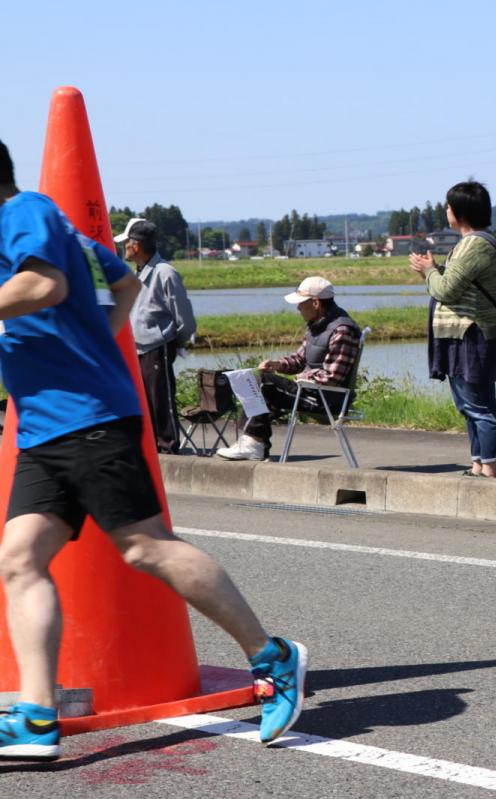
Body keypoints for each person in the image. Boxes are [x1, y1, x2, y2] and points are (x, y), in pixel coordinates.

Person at [0, 140, 305, 761]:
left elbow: (44, 283)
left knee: (146, 547)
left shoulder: (22, 212)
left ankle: (272, 655)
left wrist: (87, 364)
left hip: (88, 420)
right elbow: (125, 282)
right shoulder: (57, 227)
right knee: (19, 558)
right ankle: (36, 716)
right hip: (44, 427)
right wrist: (93, 348)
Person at [410, 181, 496, 478]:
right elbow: (456, 285)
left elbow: (446, 290)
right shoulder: (473, 243)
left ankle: (490, 469)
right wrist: (434, 270)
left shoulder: (475, 245)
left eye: (449, 206)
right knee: (469, 405)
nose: (446, 211)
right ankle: (478, 464)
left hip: (472, 334)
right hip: (465, 334)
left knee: (479, 405)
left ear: (460, 212)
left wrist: (428, 271)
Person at [216, 276, 361, 461]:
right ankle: (253, 443)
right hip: (311, 391)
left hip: (326, 400)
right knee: (256, 378)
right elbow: (299, 359)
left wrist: (301, 377)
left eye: (301, 303)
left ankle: (253, 444)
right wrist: (276, 365)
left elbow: (332, 377)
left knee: (262, 383)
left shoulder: (342, 330)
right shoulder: (318, 326)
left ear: (316, 303)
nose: (298, 308)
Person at [115, 218, 196, 454]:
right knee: (144, 400)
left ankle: (168, 447)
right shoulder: (137, 272)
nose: (124, 248)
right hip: (138, 348)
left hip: (157, 346)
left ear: (136, 245)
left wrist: (175, 341)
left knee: (161, 400)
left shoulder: (165, 272)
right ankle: (151, 448)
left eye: (126, 243)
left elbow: (184, 317)